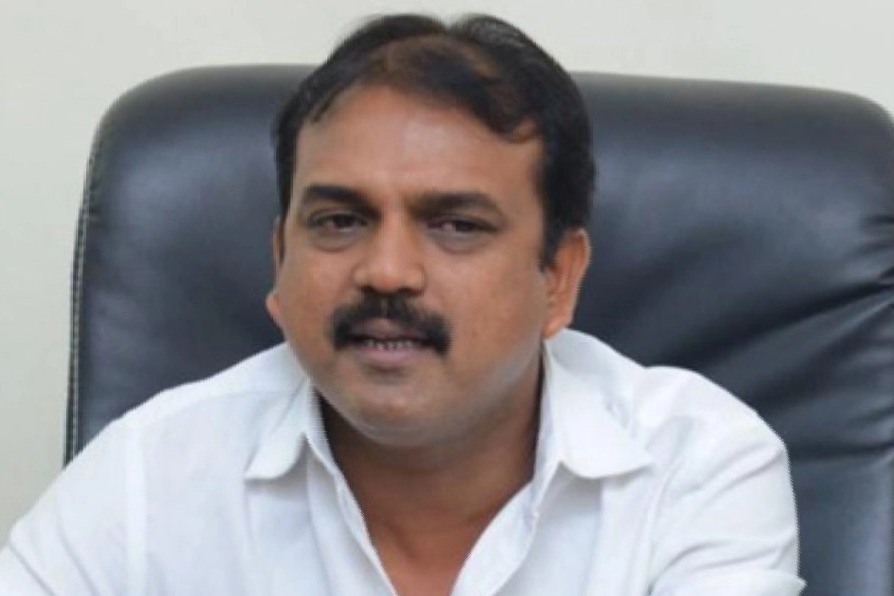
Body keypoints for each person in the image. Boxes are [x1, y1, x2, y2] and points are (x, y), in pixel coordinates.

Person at [0, 13, 803, 596]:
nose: (386, 272)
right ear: (281, 261)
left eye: (456, 226)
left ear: (558, 277)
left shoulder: (696, 468)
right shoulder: (149, 473)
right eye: (339, 221)